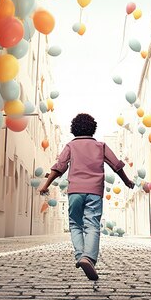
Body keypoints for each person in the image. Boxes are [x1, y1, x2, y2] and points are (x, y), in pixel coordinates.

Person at [38, 113, 135, 281]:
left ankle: (80, 256)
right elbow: (116, 166)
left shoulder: (70, 146)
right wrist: (127, 181)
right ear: (93, 129)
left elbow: (59, 167)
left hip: (75, 191)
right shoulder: (101, 146)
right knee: (92, 225)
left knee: (75, 224)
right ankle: (88, 257)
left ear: (74, 129)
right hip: (95, 192)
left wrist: (45, 185)